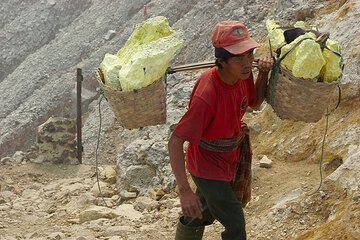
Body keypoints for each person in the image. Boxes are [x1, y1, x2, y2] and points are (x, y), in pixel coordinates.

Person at [168, 20, 274, 240]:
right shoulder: (207, 95)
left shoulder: (242, 75)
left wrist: (263, 74)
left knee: (202, 211)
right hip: (206, 166)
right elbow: (176, 140)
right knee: (235, 222)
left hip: (228, 158)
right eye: (239, 57)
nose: (247, 62)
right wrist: (184, 191)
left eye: (249, 54)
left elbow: (254, 102)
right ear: (221, 61)